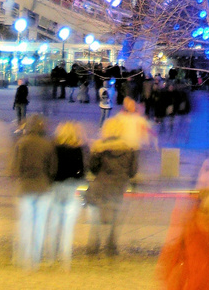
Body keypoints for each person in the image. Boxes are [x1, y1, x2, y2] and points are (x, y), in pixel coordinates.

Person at [11, 114, 57, 268]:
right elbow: (53, 169)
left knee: (26, 223)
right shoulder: (48, 145)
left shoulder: (21, 143)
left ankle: (23, 257)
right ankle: (35, 258)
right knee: (40, 224)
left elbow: (15, 169)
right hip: (43, 187)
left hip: (25, 187)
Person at [85, 116, 135, 255]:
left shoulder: (99, 148)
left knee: (96, 217)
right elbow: (132, 171)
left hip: (101, 186)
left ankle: (93, 246)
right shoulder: (129, 149)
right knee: (115, 217)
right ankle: (111, 247)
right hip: (118, 187)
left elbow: (93, 169)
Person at [46, 121, 86, 268]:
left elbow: (50, 168)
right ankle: (65, 260)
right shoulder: (78, 149)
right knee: (68, 226)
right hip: (70, 187)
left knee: (54, 223)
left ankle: (51, 257)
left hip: (56, 187)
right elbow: (81, 171)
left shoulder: (54, 148)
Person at [116, 97, 156, 183]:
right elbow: (146, 129)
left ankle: (128, 176)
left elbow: (145, 129)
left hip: (127, 144)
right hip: (131, 144)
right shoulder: (133, 118)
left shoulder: (122, 117)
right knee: (132, 161)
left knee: (129, 160)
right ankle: (131, 176)